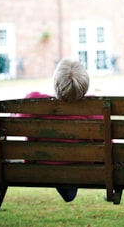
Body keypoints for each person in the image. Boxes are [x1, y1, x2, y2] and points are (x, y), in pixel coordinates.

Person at [19, 58, 102, 202]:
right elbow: (107, 142)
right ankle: (67, 185)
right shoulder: (94, 108)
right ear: (84, 85)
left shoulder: (33, 103)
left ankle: (65, 185)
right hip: (80, 167)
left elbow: (15, 123)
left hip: (42, 166)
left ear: (56, 83)